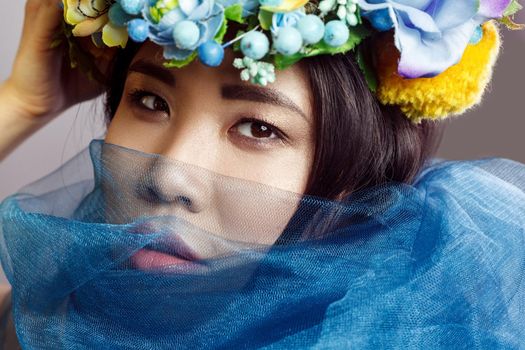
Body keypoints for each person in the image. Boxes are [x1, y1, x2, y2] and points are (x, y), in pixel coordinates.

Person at [0, 0, 523, 348]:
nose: (167, 179)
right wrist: (23, 102)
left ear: (357, 175)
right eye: (150, 100)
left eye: (258, 128)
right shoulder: (49, 318)